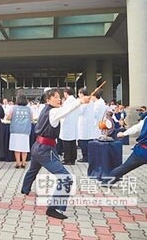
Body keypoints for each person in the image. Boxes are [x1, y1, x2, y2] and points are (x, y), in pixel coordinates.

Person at [21, 89, 89, 219]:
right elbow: (66, 110)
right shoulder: (53, 111)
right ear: (48, 100)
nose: (59, 99)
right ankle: (54, 208)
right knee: (66, 178)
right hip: (45, 149)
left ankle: (25, 189)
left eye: (59, 97)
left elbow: (65, 109)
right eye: (56, 97)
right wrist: (80, 101)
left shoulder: (45, 109)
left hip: (37, 147)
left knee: (33, 170)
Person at [107, 99, 147, 182]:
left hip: (139, 151)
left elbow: (136, 128)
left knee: (123, 168)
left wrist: (123, 134)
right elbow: (136, 128)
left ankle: (106, 181)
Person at [6, 92, 32, 169]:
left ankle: (18, 163)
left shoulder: (13, 108)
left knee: (16, 147)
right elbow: (32, 118)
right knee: (24, 147)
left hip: (15, 130)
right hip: (25, 130)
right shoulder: (29, 109)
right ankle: (24, 163)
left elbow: (8, 117)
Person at [59, 87, 79, 165]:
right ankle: (73, 159)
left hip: (67, 124)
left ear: (66, 93)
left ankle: (67, 159)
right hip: (73, 124)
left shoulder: (67, 102)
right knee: (73, 142)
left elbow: (63, 112)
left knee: (66, 142)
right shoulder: (76, 101)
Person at [77, 88, 95, 162]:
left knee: (83, 141)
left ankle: (85, 157)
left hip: (84, 124)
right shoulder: (91, 101)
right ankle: (89, 156)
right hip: (88, 123)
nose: (78, 95)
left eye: (79, 93)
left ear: (81, 94)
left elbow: (79, 112)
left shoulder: (84, 102)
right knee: (88, 141)